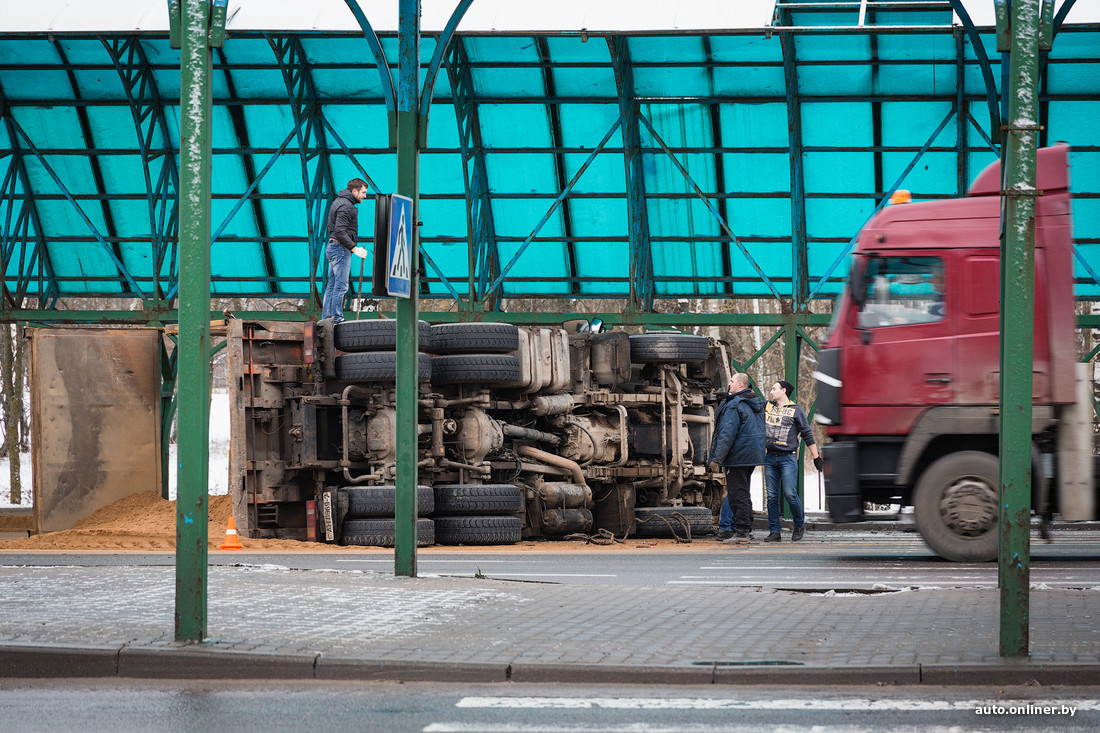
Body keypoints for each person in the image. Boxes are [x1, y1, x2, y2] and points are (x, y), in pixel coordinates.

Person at [762, 380, 822, 542]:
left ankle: (799, 525)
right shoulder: (767, 406)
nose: (771, 391)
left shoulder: (796, 411)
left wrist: (816, 457)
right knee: (772, 496)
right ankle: (775, 531)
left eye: (774, 389)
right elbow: (751, 402)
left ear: (783, 391)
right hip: (770, 457)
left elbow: (807, 434)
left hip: (787, 458)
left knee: (790, 493)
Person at [708, 372, 765, 543]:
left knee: (736, 494)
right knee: (743, 492)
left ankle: (741, 533)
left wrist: (717, 458)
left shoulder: (734, 405)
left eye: (732, 381)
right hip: (751, 455)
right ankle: (746, 528)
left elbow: (727, 434)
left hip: (737, 455)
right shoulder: (753, 403)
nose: (729, 384)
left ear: (740, 385)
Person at [321, 178, 370, 323]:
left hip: (333, 247)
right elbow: (340, 231)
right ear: (354, 191)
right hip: (340, 249)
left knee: (332, 284)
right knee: (341, 285)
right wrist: (355, 249)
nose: (365, 196)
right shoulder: (347, 207)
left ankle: (327, 317)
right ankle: (336, 317)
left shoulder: (338, 202)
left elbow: (334, 229)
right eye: (363, 192)